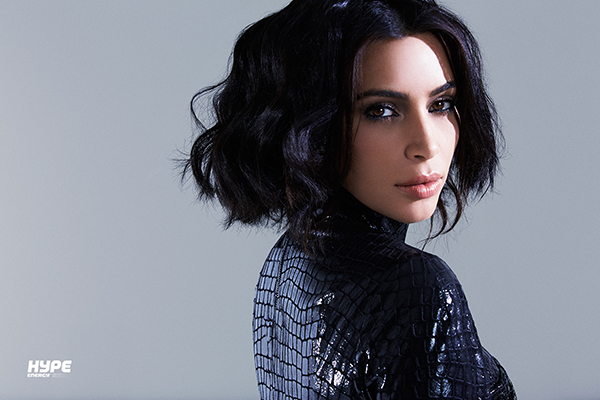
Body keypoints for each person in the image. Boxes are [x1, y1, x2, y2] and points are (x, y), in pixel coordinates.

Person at [185, 0, 516, 398]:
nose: (427, 145)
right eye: (381, 111)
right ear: (314, 126)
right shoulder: (417, 286)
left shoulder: (285, 262)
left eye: (440, 104)